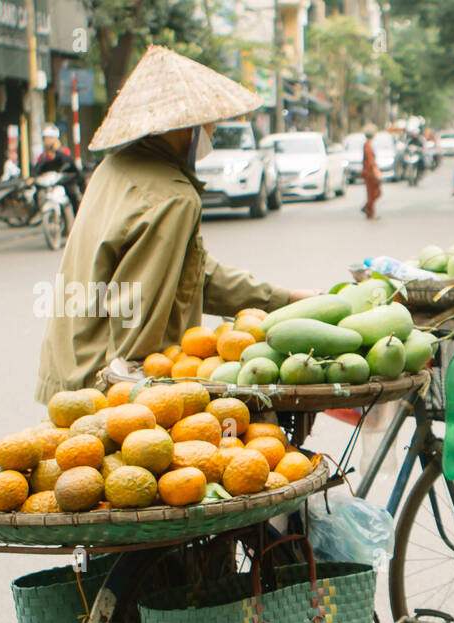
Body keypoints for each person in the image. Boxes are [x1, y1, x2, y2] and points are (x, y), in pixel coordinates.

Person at [34, 46, 315, 402]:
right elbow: (139, 326)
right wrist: (141, 390)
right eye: (208, 123)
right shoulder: (173, 197)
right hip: (107, 386)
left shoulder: (114, 169)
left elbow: (193, 271)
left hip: (70, 366)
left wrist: (285, 298)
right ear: (183, 128)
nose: (211, 131)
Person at [32, 123, 83, 212]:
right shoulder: (43, 156)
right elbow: (37, 169)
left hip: (62, 181)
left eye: (49, 138)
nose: (46, 141)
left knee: (72, 192)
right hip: (48, 183)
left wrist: (56, 151)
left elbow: (70, 166)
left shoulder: (63, 152)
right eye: (45, 138)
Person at [361, 123, 382, 220]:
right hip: (369, 173)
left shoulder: (367, 145)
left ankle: (368, 208)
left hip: (369, 173)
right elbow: (371, 161)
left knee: (374, 193)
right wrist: (376, 171)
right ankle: (369, 211)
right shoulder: (367, 147)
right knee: (373, 193)